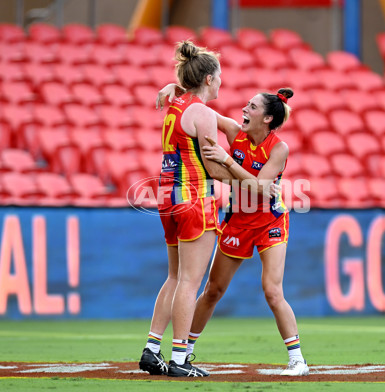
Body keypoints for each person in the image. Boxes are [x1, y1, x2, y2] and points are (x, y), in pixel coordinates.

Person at [158, 85, 309, 376]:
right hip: (237, 220)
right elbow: (198, 107)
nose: (244, 110)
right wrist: (175, 90)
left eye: (252, 107)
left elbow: (263, 190)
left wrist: (227, 161)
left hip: (270, 221)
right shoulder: (232, 130)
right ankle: (185, 352)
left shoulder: (279, 148)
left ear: (267, 119)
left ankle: (297, 360)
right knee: (213, 291)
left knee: (272, 291)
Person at [138, 40, 233, 378]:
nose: (222, 80)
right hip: (195, 198)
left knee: (176, 276)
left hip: (168, 196)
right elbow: (214, 168)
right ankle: (179, 359)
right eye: (219, 75)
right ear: (208, 79)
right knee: (191, 281)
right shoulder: (203, 114)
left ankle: (152, 349)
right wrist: (251, 181)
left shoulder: (175, 104)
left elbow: (181, 94)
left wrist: (173, 85)